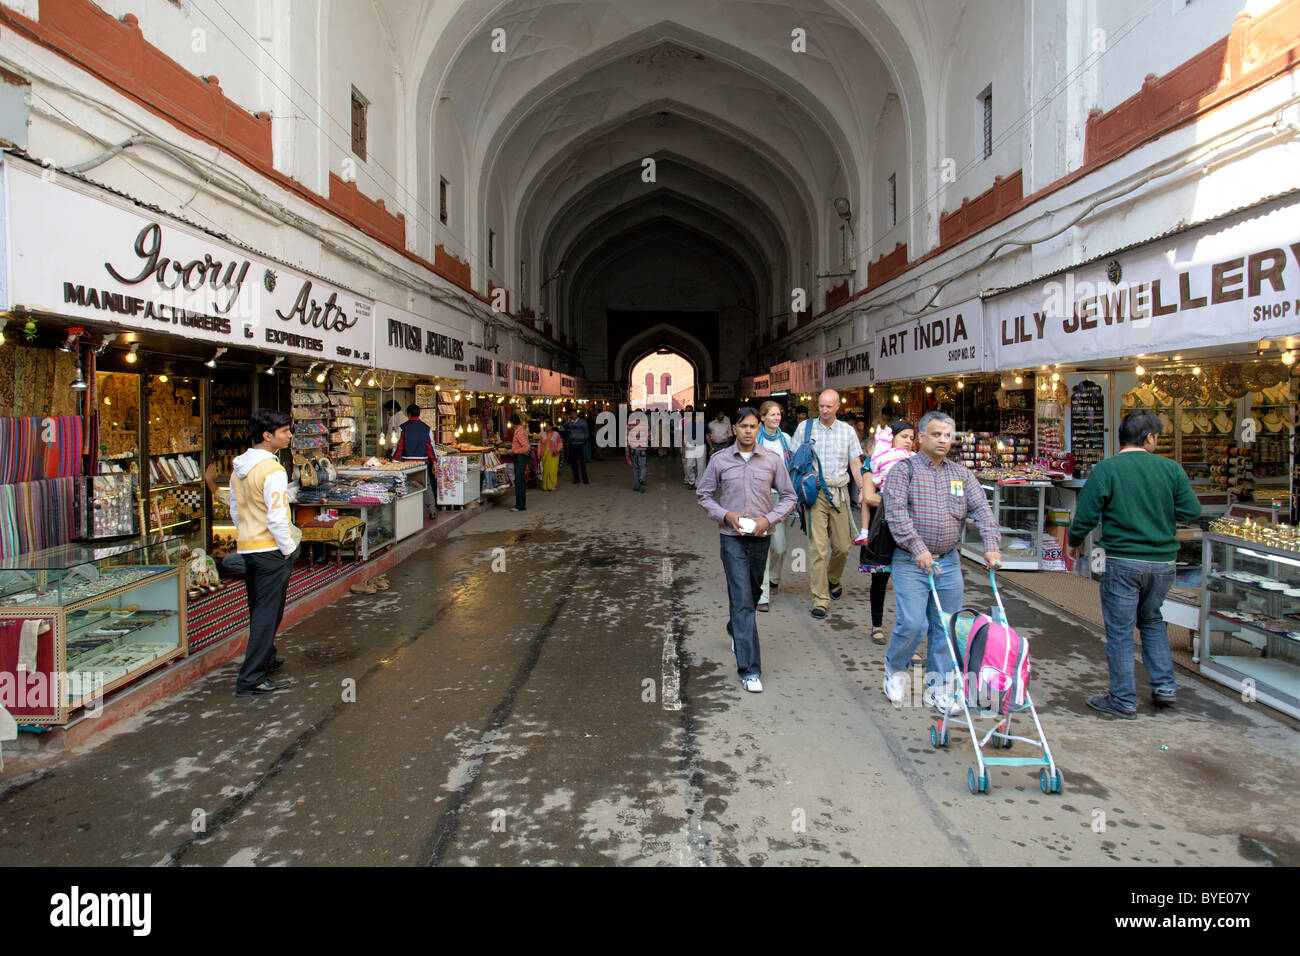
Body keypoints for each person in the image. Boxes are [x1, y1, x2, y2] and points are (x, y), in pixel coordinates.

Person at [1067, 410, 1202, 718]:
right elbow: (1191, 509)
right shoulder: (1171, 469)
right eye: (1158, 437)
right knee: (1152, 621)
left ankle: (1123, 699)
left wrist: (1074, 542)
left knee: (1120, 630)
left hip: (1124, 562)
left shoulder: (1107, 469)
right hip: (1164, 563)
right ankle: (1165, 685)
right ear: (1150, 438)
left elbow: (1086, 515)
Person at [880, 411, 1001, 713]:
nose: (943, 441)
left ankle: (939, 686)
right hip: (910, 561)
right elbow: (896, 514)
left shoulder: (961, 474)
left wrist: (992, 546)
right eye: (936, 434)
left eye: (948, 436)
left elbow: (983, 510)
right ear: (920, 437)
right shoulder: (903, 471)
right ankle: (895, 669)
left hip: (948, 562)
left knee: (946, 625)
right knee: (913, 623)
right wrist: (918, 548)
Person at [697, 407, 797, 693]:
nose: (749, 431)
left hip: (761, 536)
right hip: (731, 537)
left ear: (758, 428)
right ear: (734, 429)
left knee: (751, 595)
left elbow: (789, 496)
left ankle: (734, 628)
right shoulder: (719, 461)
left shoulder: (772, 461)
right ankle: (750, 670)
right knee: (741, 598)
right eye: (743, 426)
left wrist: (769, 519)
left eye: (753, 426)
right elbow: (704, 495)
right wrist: (725, 515)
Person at [229, 409, 300, 697]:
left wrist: (247, 532)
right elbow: (277, 517)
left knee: (260, 608)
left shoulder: (239, 468)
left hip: (249, 547)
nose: (289, 435)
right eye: (284, 431)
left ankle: (266, 660)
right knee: (267, 615)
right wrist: (288, 548)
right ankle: (251, 678)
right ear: (268, 436)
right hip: (271, 550)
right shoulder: (272, 470)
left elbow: (235, 509)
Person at [787, 389, 864, 619]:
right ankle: (820, 598)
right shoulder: (805, 428)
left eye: (829, 406)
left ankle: (833, 578)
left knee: (843, 547)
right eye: (821, 405)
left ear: (838, 407)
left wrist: (862, 489)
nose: (824, 410)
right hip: (815, 493)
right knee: (818, 547)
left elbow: (855, 464)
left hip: (839, 492)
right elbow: (794, 460)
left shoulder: (848, 431)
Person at [858, 420, 915, 644]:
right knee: (880, 580)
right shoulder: (874, 462)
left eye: (912, 438)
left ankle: (907, 633)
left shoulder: (914, 462)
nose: (909, 442)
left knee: (908, 583)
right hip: (882, 529)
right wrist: (899, 498)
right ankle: (877, 624)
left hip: (909, 529)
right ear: (892, 438)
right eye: (904, 437)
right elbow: (869, 496)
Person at [755, 400, 794, 612]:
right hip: (760, 498)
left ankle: (774, 578)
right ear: (762, 417)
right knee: (763, 545)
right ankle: (762, 595)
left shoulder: (786, 439)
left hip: (781, 498)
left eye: (778, 414)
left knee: (780, 546)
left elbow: (793, 466)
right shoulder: (754, 439)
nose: (776, 418)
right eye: (771, 414)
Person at [392, 403, 438, 518]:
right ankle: (432, 510)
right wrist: (434, 462)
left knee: (406, 485)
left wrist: (392, 459)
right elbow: (430, 447)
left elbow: (399, 446)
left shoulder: (403, 427)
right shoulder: (426, 428)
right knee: (426, 485)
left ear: (408, 414)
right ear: (419, 414)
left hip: (407, 463)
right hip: (422, 462)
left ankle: (407, 511)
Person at [680, 404, 705, 488]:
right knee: (688, 464)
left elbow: (707, 434)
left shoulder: (702, 422)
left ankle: (697, 483)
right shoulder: (683, 421)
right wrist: (682, 447)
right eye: (687, 411)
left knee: (700, 466)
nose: (688, 412)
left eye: (690, 411)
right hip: (688, 444)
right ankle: (689, 479)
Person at [508, 413, 529, 512]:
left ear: (512, 423)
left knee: (520, 482)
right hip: (519, 458)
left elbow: (526, 448)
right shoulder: (518, 431)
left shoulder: (520, 432)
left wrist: (513, 451)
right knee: (519, 481)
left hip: (520, 458)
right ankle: (519, 504)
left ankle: (520, 505)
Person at [627, 410, 649, 492]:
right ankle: (641, 478)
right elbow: (649, 436)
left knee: (635, 467)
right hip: (642, 449)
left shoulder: (630, 424)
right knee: (643, 466)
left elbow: (627, 438)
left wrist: (626, 450)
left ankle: (636, 485)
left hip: (633, 449)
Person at [566, 408, 590, 484]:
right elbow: (563, 428)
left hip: (580, 444)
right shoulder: (570, 422)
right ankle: (576, 479)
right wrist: (567, 422)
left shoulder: (582, 421)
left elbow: (586, 431)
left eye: (573, 414)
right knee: (573, 463)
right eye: (571, 414)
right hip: (572, 444)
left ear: (576, 414)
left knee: (582, 462)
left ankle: (585, 479)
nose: (572, 415)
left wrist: (584, 438)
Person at [538, 422, 562, 491]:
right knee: (545, 471)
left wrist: (557, 450)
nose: (546, 427)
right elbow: (540, 445)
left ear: (551, 427)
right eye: (545, 426)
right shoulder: (542, 435)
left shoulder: (556, 434)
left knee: (553, 470)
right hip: (545, 456)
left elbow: (560, 444)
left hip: (554, 455)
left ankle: (552, 486)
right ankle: (545, 486)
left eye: (547, 426)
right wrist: (539, 454)